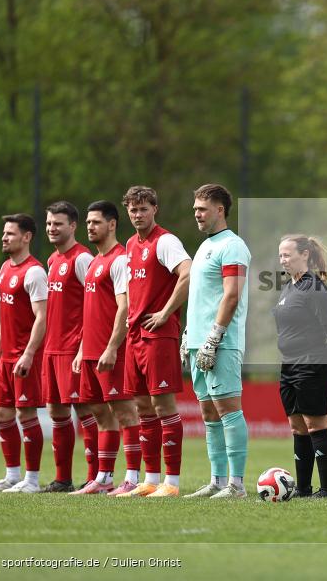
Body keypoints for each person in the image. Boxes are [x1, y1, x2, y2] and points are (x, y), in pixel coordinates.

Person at [119, 186, 191, 498]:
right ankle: (150, 480)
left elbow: (187, 274)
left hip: (158, 334)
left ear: (155, 209)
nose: (138, 214)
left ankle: (172, 483)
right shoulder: (130, 244)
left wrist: (165, 312)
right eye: (133, 210)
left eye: (143, 209)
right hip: (135, 334)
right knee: (142, 407)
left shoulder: (166, 241)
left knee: (163, 404)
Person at [70, 201, 142, 496]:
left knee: (125, 413)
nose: (90, 226)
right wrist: (82, 349)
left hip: (112, 351)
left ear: (112, 224)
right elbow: (91, 312)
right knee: (100, 413)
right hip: (90, 352)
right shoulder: (93, 262)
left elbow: (124, 308)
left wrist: (112, 347)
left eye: (96, 222)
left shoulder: (120, 259)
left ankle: (134, 478)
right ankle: (104, 477)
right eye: (88, 222)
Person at [183, 184, 251, 500]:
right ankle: (217, 480)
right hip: (199, 342)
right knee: (209, 414)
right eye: (195, 208)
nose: (197, 213)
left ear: (219, 210)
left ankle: (236, 485)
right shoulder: (205, 246)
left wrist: (213, 337)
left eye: (202, 208)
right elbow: (202, 298)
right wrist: (190, 335)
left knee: (228, 410)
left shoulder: (232, 246)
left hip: (220, 342)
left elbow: (231, 294)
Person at [0, 214, 48, 493]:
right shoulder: (6, 268)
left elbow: (42, 318)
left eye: (10, 233)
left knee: (26, 415)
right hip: (6, 356)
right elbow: (5, 318)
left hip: (24, 358)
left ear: (27, 237)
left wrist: (29, 354)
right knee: (2, 415)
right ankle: (11, 475)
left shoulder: (34, 272)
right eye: (4, 233)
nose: (4, 237)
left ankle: (31, 480)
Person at [272, 234, 327, 498]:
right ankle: (303, 488)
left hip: (312, 364)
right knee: (297, 427)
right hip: (289, 366)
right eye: (281, 255)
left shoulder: (315, 287)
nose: (283, 260)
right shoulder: (288, 287)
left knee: (315, 425)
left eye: (287, 255)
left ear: (305, 255)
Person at [40, 201, 97, 492]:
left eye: (58, 224)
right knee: (57, 414)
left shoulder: (82, 259)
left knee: (85, 410)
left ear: (73, 226)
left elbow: (95, 304)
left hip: (73, 348)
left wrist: (83, 347)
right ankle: (62, 479)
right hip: (51, 348)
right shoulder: (52, 261)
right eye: (49, 223)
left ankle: (95, 477)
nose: (52, 228)